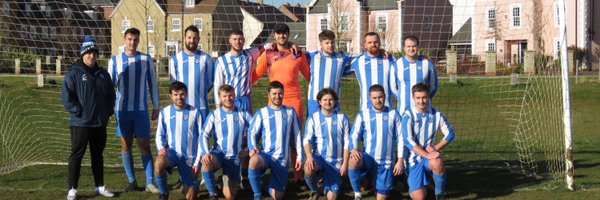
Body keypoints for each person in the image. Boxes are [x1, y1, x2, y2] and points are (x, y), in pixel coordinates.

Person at [252, 23, 310, 184]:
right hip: (274, 101)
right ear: (274, 35)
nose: (281, 36)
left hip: (294, 100)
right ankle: (268, 173)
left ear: (288, 34)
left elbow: (309, 75)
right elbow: (255, 75)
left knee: (295, 139)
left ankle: (298, 177)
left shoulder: (298, 53)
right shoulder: (268, 54)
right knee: (272, 138)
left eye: (284, 33)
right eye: (278, 33)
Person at [62, 36, 116, 200]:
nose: (91, 56)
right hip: (81, 123)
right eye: (88, 53)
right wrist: (77, 110)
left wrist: (107, 113)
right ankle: (72, 188)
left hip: (99, 124)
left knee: (97, 156)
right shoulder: (74, 73)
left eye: (94, 53)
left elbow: (111, 96)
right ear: (82, 54)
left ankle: (99, 186)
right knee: (76, 155)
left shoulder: (103, 75)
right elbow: (66, 97)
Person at [107, 27, 160, 193]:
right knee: (126, 145)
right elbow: (109, 87)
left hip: (141, 110)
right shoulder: (114, 61)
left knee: (145, 145)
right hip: (122, 111)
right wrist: (108, 109)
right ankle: (132, 181)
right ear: (124, 40)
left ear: (138, 40)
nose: (132, 42)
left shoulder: (146, 59)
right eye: (129, 39)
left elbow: (153, 84)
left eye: (135, 40)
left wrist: (156, 106)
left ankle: (150, 182)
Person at [247, 81, 303, 200]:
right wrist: (252, 149)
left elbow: (298, 136)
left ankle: (266, 186)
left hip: (282, 158)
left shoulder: (291, 112)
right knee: (254, 161)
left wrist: (299, 157)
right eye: (274, 94)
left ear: (283, 94)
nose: (277, 96)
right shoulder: (262, 113)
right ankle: (257, 196)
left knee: (277, 196)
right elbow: (251, 133)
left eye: (280, 93)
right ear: (269, 94)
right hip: (266, 155)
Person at [195, 84, 253, 200]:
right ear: (220, 98)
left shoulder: (244, 114)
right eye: (224, 96)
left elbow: (256, 132)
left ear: (234, 96)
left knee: (230, 196)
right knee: (206, 163)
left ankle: (224, 180)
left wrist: (247, 150)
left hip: (235, 157)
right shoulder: (214, 115)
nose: (228, 98)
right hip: (219, 154)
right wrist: (206, 153)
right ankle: (213, 194)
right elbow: (203, 135)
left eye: (230, 95)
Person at [348, 84, 404, 200]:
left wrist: (400, 160)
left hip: (386, 162)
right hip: (368, 158)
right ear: (370, 98)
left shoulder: (394, 114)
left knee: (382, 198)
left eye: (380, 97)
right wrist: (353, 149)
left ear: (384, 96)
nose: (378, 100)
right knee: (353, 160)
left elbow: (401, 138)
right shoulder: (363, 115)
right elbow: (354, 135)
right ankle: (357, 193)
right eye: (374, 98)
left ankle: (374, 183)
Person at [402, 83, 455, 200]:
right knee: (419, 197)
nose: (421, 101)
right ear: (413, 98)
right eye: (418, 98)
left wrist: (436, 148)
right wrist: (427, 154)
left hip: (428, 158)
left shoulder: (437, 115)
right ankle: (419, 183)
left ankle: (439, 194)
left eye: (424, 97)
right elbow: (408, 141)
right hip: (413, 160)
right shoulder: (408, 115)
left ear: (428, 97)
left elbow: (451, 134)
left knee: (437, 162)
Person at [154, 82, 202, 200]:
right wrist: (161, 148)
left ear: (186, 95)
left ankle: (187, 183)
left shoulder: (195, 112)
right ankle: (164, 194)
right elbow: (159, 135)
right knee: (159, 163)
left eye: (182, 94)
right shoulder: (165, 112)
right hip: (173, 153)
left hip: (190, 158)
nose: (179, 97)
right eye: (175, 94)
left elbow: (202, 139)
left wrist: (197, 162)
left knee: (190, 196)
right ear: (171, 96)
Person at [303, 88, 350, 200]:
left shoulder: (342, 118)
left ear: (335, 101)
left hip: (336, 162)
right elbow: (307, 140)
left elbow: (348, 142)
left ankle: (329, 182)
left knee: (331, 198)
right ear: (319, 102)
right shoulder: (313, 118)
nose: (328, 102)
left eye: (330, 99)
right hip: (319, 158)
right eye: (324, 100)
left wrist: (345, 163)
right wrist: (309, 157)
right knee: (308, 169)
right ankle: (315, 190)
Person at [169, 25, 214, 119]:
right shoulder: (175, 60)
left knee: (203, 134)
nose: (192, 41)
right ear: (184, 38)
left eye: (195, 38)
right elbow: (173, 85)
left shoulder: (206, 59)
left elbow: (210, 83)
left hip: (201, 108)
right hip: (182, 108)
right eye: (189, 37)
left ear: (199, 39)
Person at [305, 30, 354, 116]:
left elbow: (363, 56)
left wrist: (381, 52)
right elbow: (295, 52)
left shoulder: (342, 57)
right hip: (314, 101)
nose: (330, 45)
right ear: (321, 43)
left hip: (334, 100)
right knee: (314, 127)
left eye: (332, 42)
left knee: (333, 128)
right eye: (327, 43)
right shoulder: (312, 56)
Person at [391, 35, 438, 113]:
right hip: (404, 110)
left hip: (424, 110)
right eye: (408, 46)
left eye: (414, 46)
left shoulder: (427, 63)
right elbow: (393, 88)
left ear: (418, 47)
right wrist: (402, 98)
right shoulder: (397, 65)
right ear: (404, 48)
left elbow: (434, 86)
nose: (411, 49)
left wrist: (424, 99)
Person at [349, 32, 395, 111]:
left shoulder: (389, 59)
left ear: (380, 44)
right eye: (369, 42)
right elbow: (339, 68)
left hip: (387, 107)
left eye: (375, 42)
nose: (373, 44)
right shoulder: (357, 60)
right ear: (365, 45)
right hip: (366, 109)